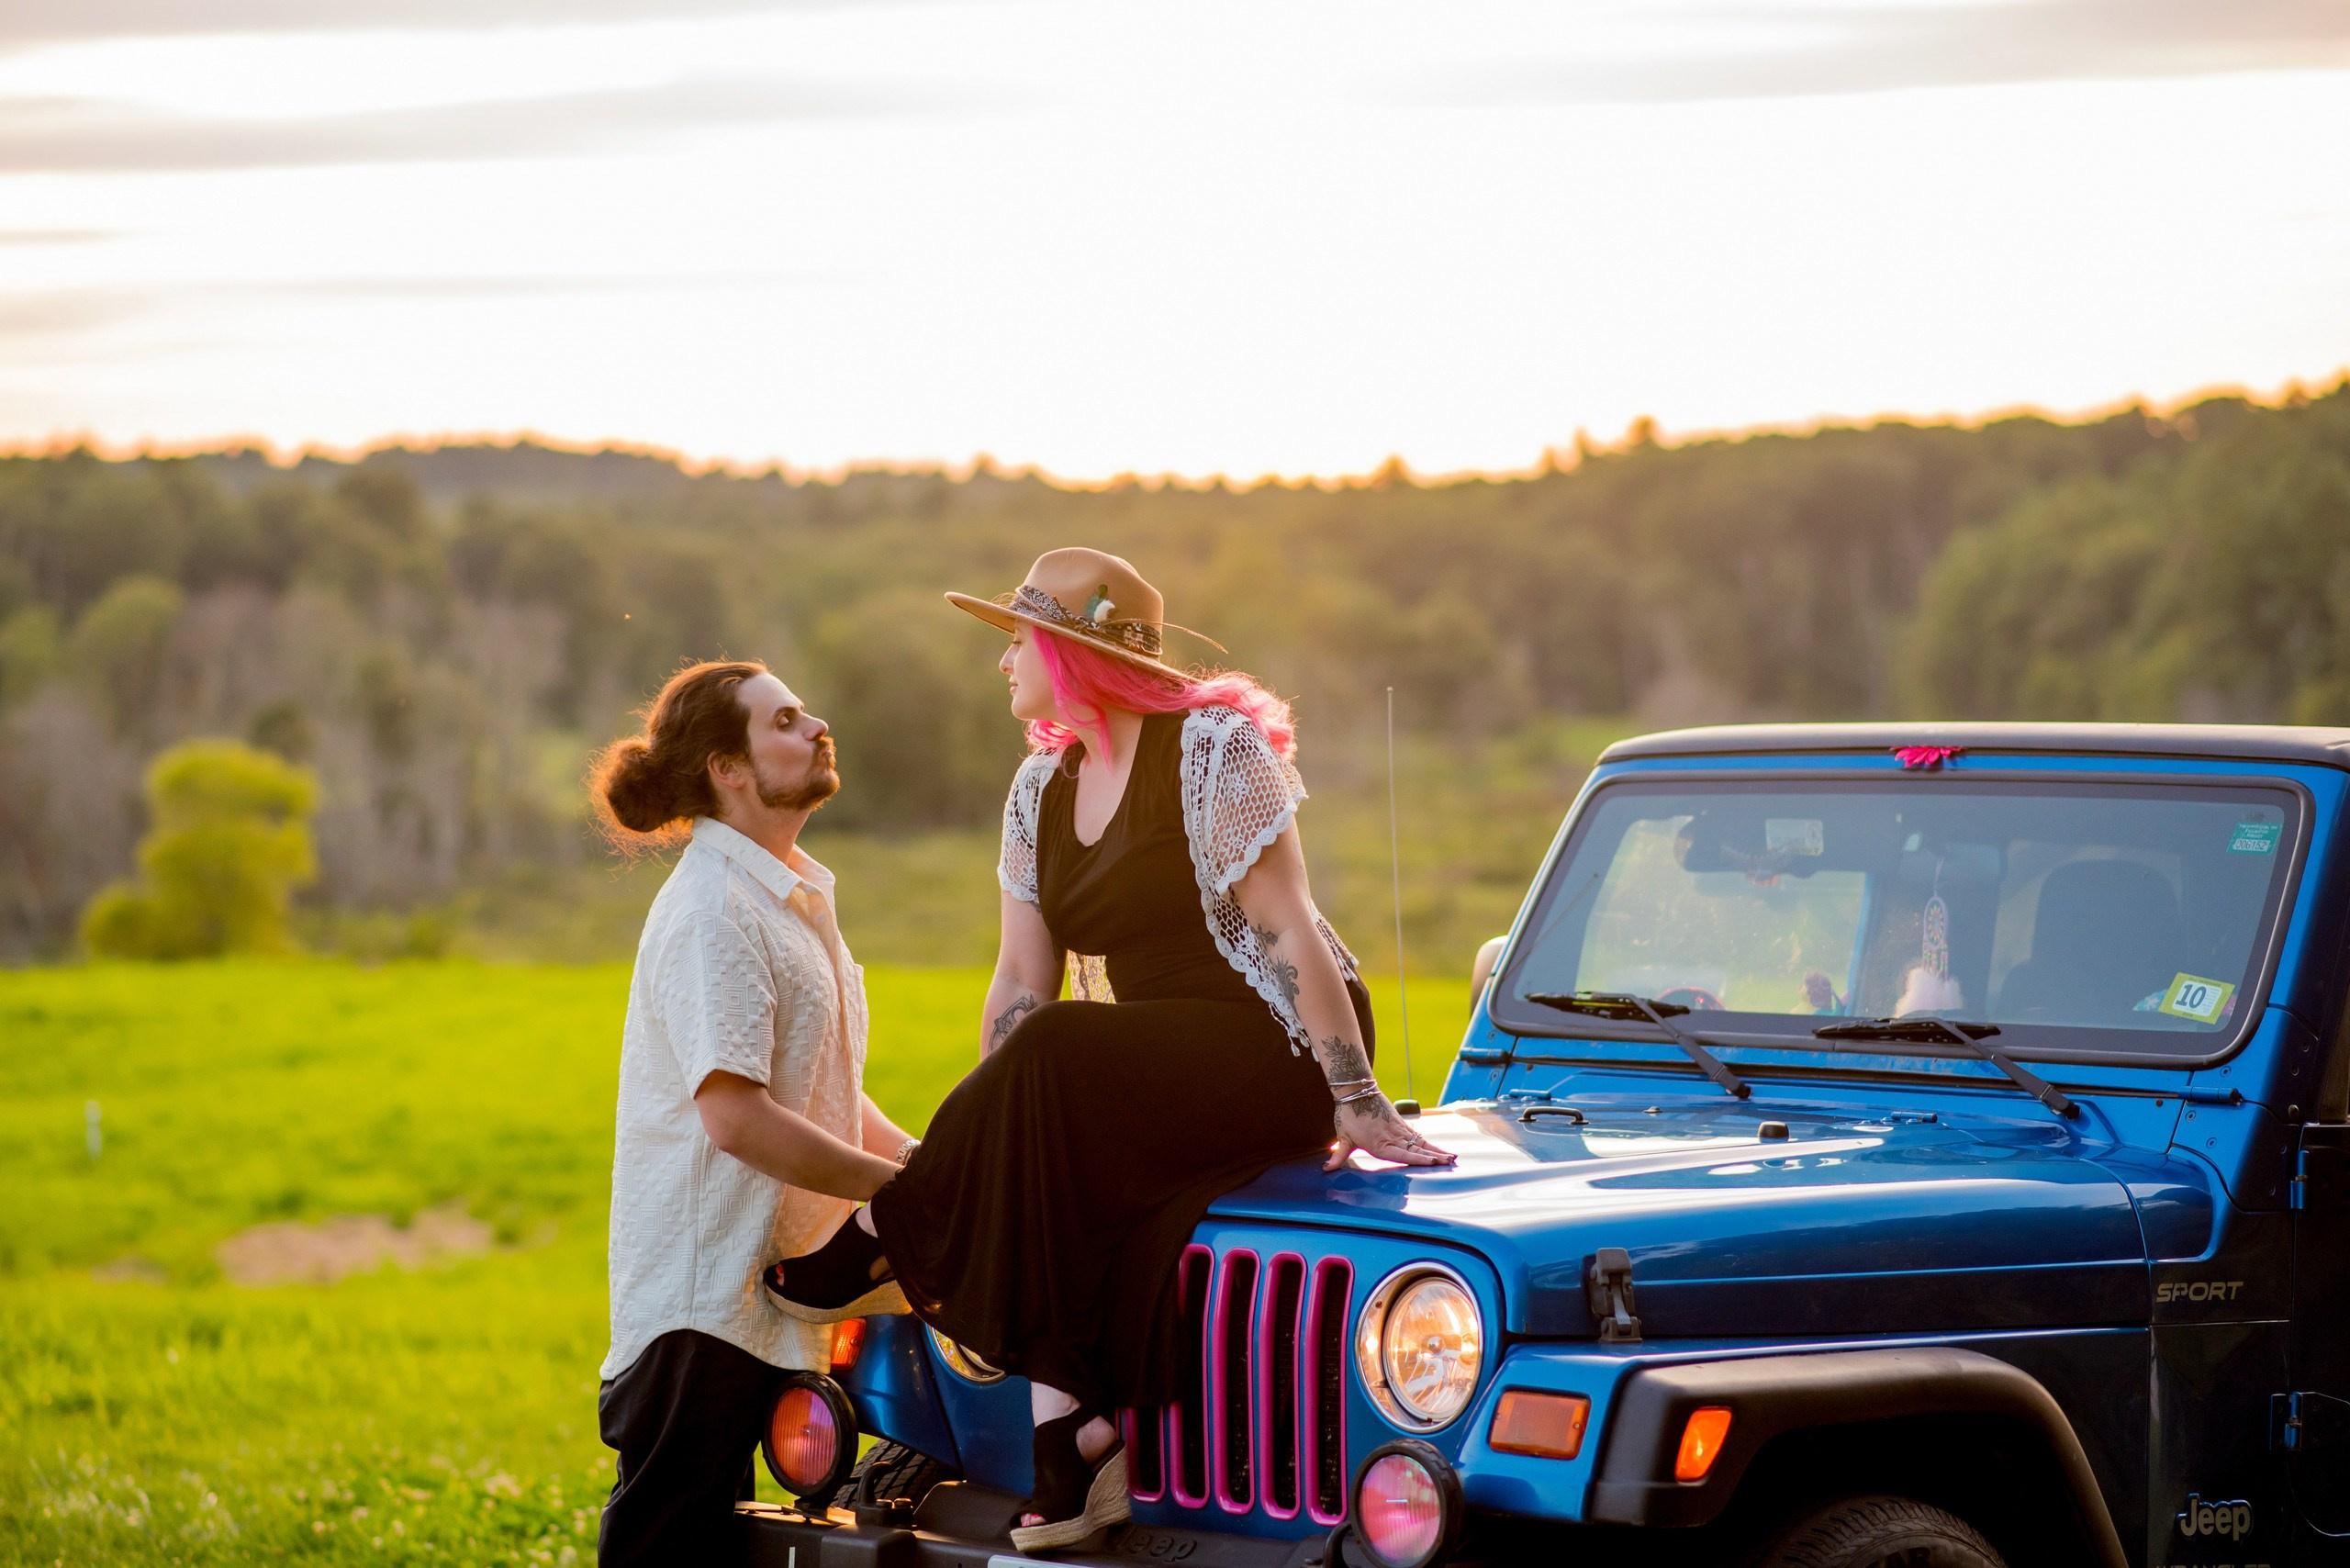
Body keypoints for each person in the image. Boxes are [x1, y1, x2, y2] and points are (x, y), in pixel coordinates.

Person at [764, 549, 1452, 1554]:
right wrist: (999, 1138)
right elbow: (1019, 980)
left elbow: (1290, 928)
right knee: (1050, 1140)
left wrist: (1352, 1092)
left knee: (1060, 1048)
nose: (1004, 664)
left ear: (1072, 650)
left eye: (1017, 641)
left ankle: (885, 1227)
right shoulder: (1040, 787)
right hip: (1137, 1062)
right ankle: (1073, 1445)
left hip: (1271, 1039)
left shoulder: (1211, 750)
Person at [588, 659, 920, 1568]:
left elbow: (817, 1085)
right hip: (701, 1306)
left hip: (755, 1296)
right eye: (783, 721)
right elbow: (735, 1116)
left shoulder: (784, 896)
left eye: (806, 711)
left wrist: (924, 1164)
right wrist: (894, 1191)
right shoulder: (713, 908)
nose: (815, 726)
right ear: (727, 770)